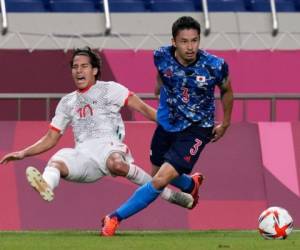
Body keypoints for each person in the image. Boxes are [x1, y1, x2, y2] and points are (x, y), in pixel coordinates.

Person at [0, 47, 195, 214]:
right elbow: (51, 138)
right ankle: (46, 185)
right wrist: (23, 152)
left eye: (84, 66)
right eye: (75, 67)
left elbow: (144, 109)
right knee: (58, 160)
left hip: (110, 147)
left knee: (116, 164)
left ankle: (171, 195)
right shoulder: (67, 102)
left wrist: (175, 126)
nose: (78, 71)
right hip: (84, 156)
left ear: (94, 70)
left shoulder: (109, 89)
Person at [101, 16, 234, 236]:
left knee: (159, 179)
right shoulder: (161, 56)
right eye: (184, 41)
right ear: (174, 41)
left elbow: (227, 90)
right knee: (156, 173)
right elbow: (162, 73)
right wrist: (158, 86)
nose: (190, 47)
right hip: (167, 125)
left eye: (194, 40)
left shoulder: (215, 66)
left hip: (197, 129)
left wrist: (226, 123)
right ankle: (190, 185)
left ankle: (114, 218)